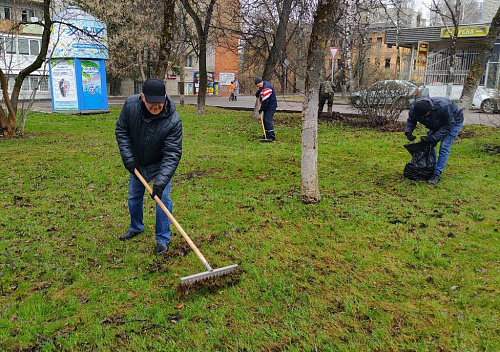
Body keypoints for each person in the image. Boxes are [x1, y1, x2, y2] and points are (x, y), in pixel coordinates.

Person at [115, 78, 183, 255]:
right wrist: (129, 159)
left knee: (163, 200)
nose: (156, 107)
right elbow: (121, 130)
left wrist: (160, 182)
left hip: (160, 164)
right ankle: (136, 227)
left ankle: (162, 240)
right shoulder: (130, 106)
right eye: (152, 103)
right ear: (142, 97)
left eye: (160, 103)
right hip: (138, 162)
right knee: (134, 197)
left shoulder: (173, 120)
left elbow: (172, 153)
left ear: (165, 97)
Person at [405, 97, 464, 185]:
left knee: (444, 147)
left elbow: (449, 124)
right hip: (436, 123)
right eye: (421, 117)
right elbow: (411, 120)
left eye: (425, 116)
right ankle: (431, 167)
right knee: (429, 145)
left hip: (454, 122)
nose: (423, 118)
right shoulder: (415, 109)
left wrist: (434, 137)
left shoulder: (443, 106)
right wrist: (408, 132)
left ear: (430, 110)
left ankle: (437, 174)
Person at [255, 77, 277, 142]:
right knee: (265, 120)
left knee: (267, 120)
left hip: (270, 106)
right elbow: (261, 91)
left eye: (259, 86)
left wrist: (261, 109)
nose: (258, 87)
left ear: (261, 82)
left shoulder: (267, 88)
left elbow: (265, 101)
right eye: (257, 86)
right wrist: (259, 92)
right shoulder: (264, 86)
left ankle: (271, 136)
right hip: (268, 106)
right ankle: (266, 134)